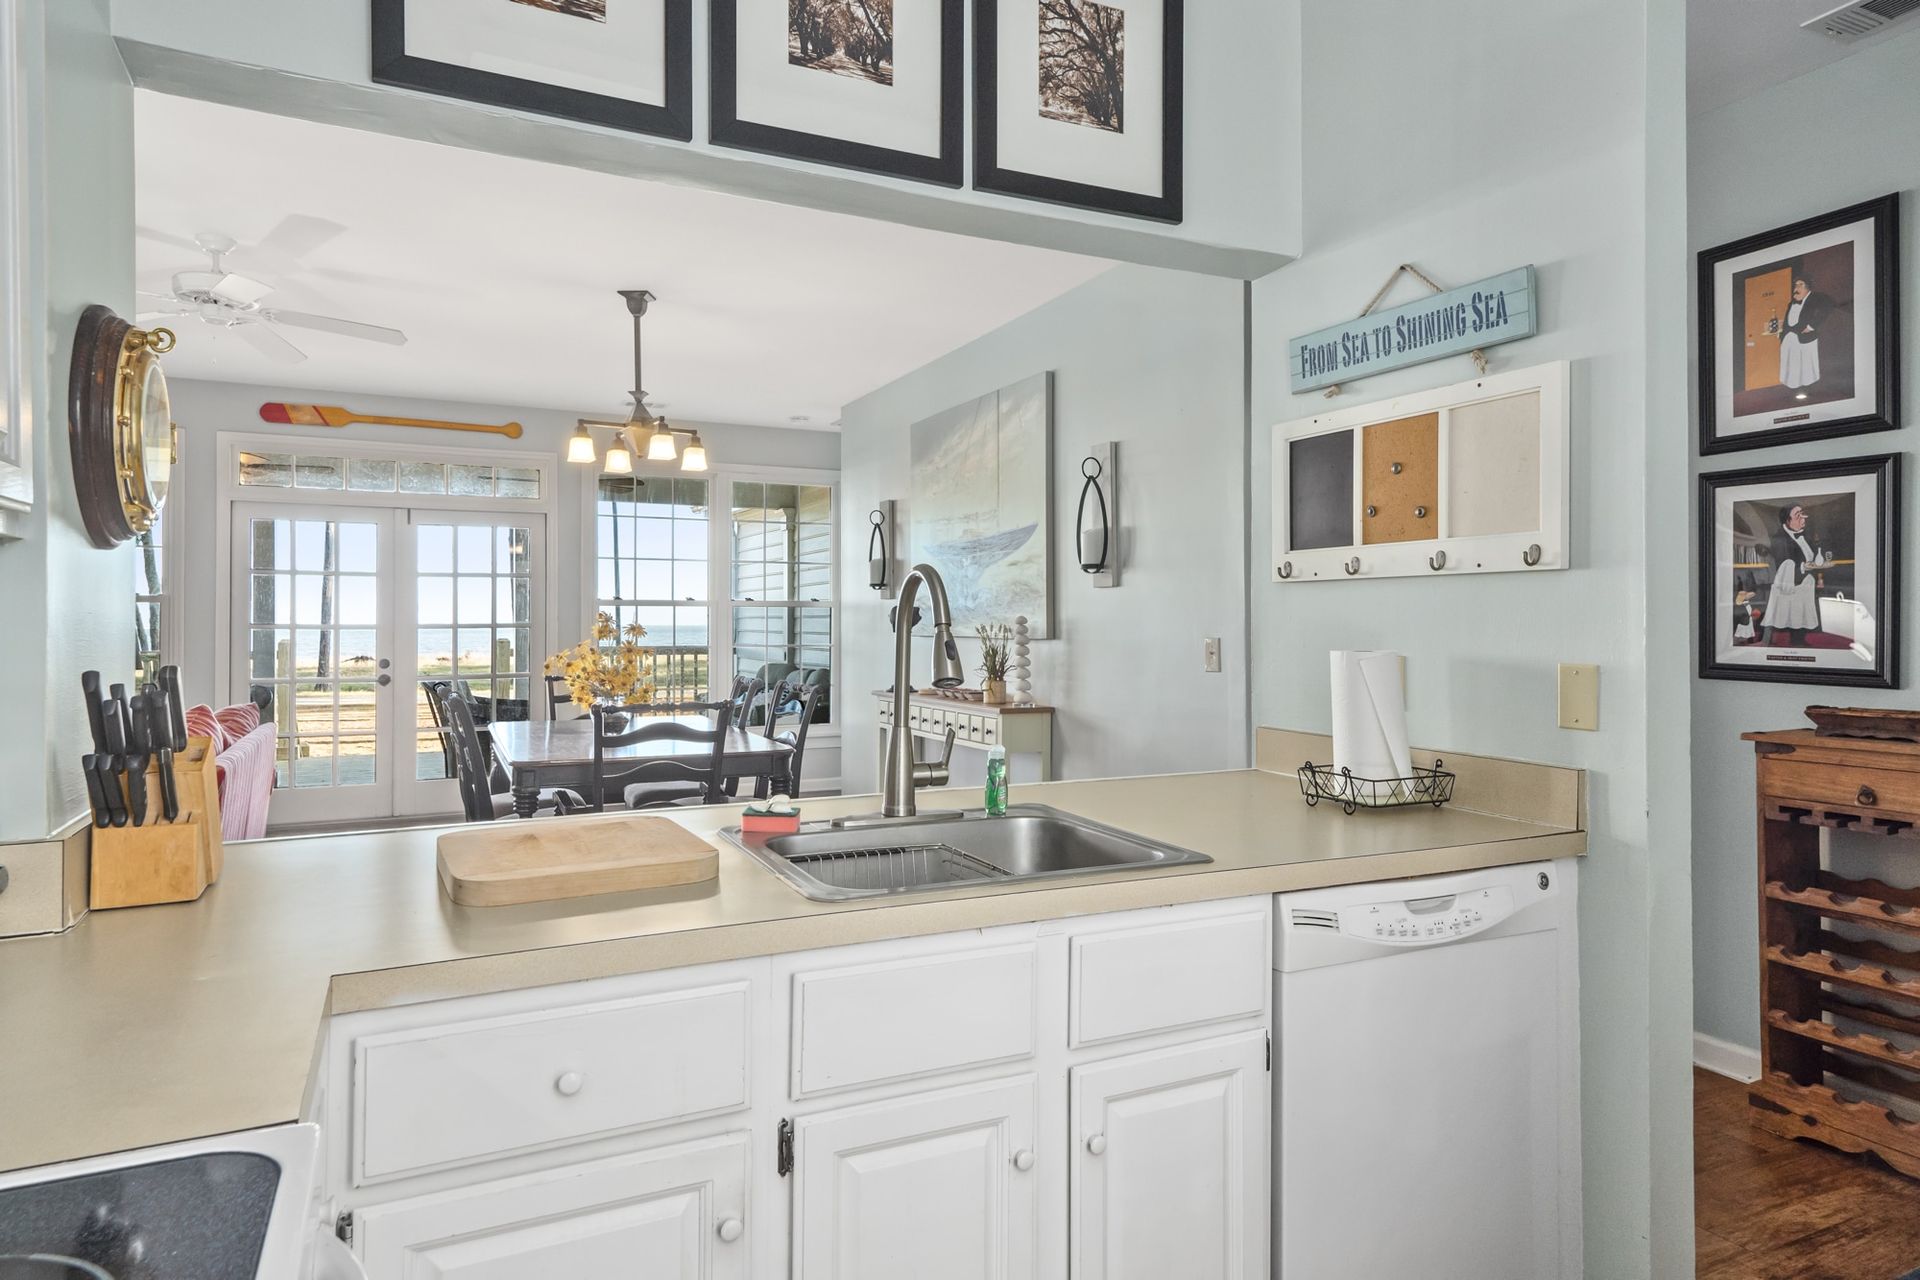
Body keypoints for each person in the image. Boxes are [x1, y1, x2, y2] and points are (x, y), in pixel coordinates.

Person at [1761, 503, 1826, 646]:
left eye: (1803, 514)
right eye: (1798, 516)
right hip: (1790, 585)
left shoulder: (1805, 535)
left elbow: (1812, 554)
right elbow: (1783, 565)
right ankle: (1791, 643)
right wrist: (1803, 566)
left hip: (1805, 583)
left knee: (1802, 615)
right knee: (1792, 615)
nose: (1803, 519)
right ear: (1787, 521)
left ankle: (1800, 640)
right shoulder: (1779, 539)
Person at [1779, 277, 1832, 392]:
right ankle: (1791, 385)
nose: (1797, 288)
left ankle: (1808, 387)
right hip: (1789, 337)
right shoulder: (1791, 303)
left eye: (1801, 284)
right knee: (1790, 363)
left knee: (1806, 364)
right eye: (1796, 285)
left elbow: (1828, 306)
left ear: (1808, 287)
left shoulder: (1815, 297)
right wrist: (1783, 333)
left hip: (1804, 337)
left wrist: (1811, 326)